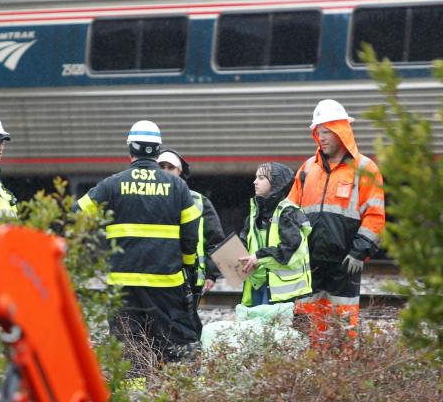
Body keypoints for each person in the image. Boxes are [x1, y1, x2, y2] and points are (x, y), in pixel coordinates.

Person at [75, 121, 201, 364]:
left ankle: (134, 394)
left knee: (129, 344)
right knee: (170, 342)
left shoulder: (112, 184)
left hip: (122, 282)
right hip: (166, 281)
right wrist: (187, 264)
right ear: (157, 150)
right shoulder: (177, 186)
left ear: (130, 149)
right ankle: (169, 391)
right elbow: (190, 233)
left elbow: (77, 213)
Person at [287, 99, 385, 342]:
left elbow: (374, 215)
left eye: (327, 132)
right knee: (305, 323)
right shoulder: (308, 168)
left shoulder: (365, 168)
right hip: (309, 263)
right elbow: (289, 211)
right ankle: (308, 369)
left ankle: (341, 370)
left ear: (342, 132)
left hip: (345, 262)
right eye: (319, 132)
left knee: (342, 324)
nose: (322, 138)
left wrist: (359, 252)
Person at [156, 148, 226, 316]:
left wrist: (212, 274)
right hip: (156, 274)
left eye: (170, 167)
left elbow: (215, 239)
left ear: (180, 172)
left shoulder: (199, 201)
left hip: (191, 276)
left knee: (185, 322)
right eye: (161, 166)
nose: (165, 171)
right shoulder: (148, 199)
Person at [237, 162, 312, 307]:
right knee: (258, 327)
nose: (255, 181)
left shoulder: (287, 212)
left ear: (276, 183)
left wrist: (259, 257)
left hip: (279, 289)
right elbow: (246, 241)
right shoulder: (255, 213)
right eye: (256, 177)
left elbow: (291, 248)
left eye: (261, 178)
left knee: (272, 328)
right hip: (258, 282)